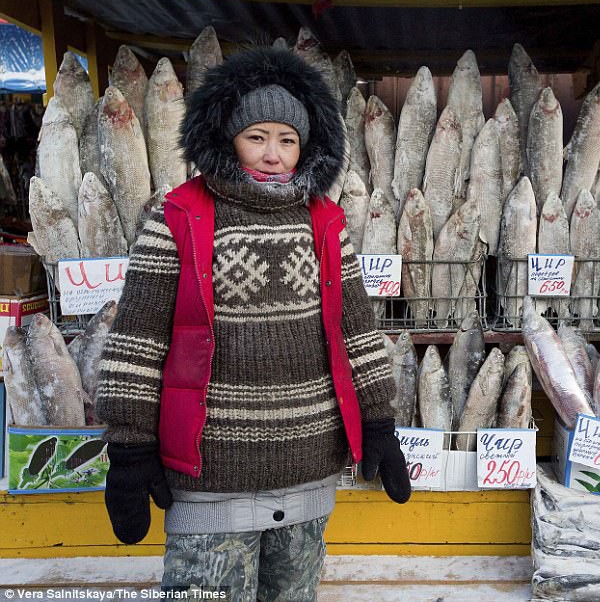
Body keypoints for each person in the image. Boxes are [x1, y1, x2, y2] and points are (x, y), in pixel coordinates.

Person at [96, 46, 410, 600]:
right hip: (210, 477)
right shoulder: (178, 219)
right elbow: (136, 342)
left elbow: (357, 333)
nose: (273, 154)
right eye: (258, 137)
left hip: (309, 469)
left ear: (307, 146)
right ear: (227, 137)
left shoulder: (325, 224)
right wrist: (128, 445)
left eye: (287, 140)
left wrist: (379, 424)